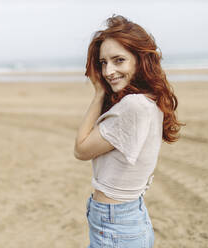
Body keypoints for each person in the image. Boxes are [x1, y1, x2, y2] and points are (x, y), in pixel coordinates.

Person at [74, 15, 184, 248]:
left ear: (140, 60)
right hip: (125, 220)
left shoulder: (133, 106)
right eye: (103, 62)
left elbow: (81, 150)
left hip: (116, 226)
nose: (108, 71)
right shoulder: (148, 101)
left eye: (119, 60)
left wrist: (98, 94)